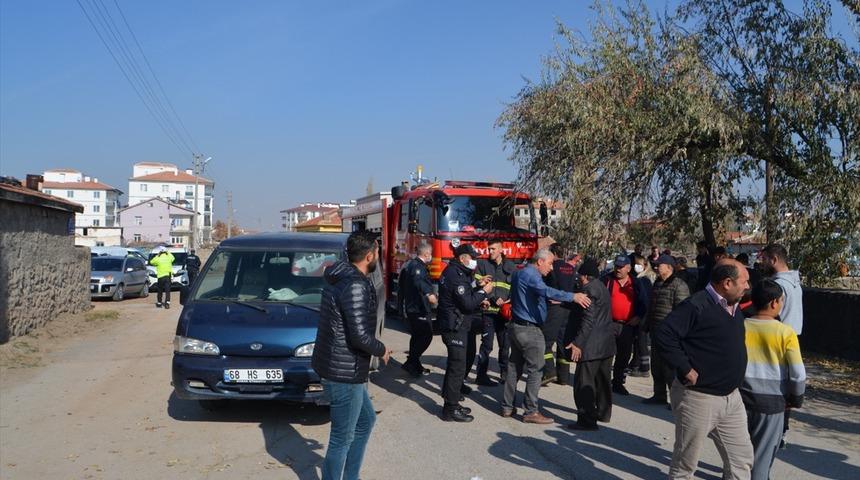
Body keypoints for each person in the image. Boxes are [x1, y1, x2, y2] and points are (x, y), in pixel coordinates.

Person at [656, 259, 754, 479]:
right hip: (698, 398)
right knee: (686, 463)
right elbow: (664, 335)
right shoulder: (697, 305)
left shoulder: (734, 305)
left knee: (742, 458)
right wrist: (684, 368)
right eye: (744, 281)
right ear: (727, 283)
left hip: (731, 398)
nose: (748, 286)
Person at [312, 230, 392, 480]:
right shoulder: (355, 284)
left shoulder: (344, 276)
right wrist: (381, 349)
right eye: (377, 252)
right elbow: (359, 336)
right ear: (369, 256)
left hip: (345, 367)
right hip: (344, 372)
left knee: (366, 421)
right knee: (341, 439)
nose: (379, 256)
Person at [501, 248, 590, 424]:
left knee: (514, 367)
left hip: (517, 327)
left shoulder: (520, 273)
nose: (551, 268)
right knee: (536, 369)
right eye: (549, 264)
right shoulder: (532, 275)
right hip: (529, 330)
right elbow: (546, 291)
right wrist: (573, 296)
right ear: (540, 261)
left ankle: (507, 406)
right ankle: (531, 411)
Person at [741, 279, 806, 480]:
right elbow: (797, 373)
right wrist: (796, 398)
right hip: (771, 402)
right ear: (774, 303)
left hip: (739, 399)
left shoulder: (740, 326)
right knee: (762, 455)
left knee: (739, 453)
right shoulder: (785, 332)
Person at [437, 243, 494, 422]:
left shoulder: (457, 272)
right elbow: (467, 303)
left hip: (455, 324)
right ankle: (450, 409)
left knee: (455, 366)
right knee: (457, 367)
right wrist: (484, 292)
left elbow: (465, 294)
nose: (474, 261)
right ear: (462, 258)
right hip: (455, 327)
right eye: (472, 258)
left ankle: (450, 400)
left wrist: (477, 286)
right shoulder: (456, 275)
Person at [757, 243, 804, 447]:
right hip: (791, 336)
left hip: (776, 337)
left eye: (764, 258)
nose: (761, 262)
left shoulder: (778, 286)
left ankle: (774, 431)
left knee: (772, 386)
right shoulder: (794, 282)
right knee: (784, 385)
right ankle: (781, 429)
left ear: (774, 260)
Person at [566, 258, 618, 431]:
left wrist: (577, 343)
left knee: (583, 382)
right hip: (606, 344)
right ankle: (604, 413)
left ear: (586, 276)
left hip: (591, 346)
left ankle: (587, 419)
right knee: (603, 381)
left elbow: (588, 320)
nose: (578, 278)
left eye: (580, 275)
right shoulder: (602, 286)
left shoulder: (588, 290)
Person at [643, 254, 690, 405]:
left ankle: (676, 400)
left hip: (671, 335)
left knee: (671, 369)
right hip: (656, 332)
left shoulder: (679, 285)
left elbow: (683, 312)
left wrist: (675, 332)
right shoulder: (657, 283)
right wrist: (647, 324)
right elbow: (652, 306)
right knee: (656, 367)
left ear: (669, 267)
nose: (656, 267)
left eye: (659, 265)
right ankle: (659, 395)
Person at [473, 239, 516, 386]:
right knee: (486, 345)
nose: (490, 252)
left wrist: (508, 301)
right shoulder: (482, 265)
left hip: (504, 313)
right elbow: (477, 286)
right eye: (489, 249)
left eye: (493, 249)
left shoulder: (510, 266)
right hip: (488, 312)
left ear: (501, 250)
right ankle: (481, 375)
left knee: (505, 346)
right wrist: (492, 298)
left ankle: (504, 374)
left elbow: (515, 287)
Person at [605, 255, 648, 396]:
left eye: (621, 267)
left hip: (627, 326)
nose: (618, 269)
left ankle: (618, 383)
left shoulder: (636, 283)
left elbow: (643, 303)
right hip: (609, 324)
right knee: (606, 354)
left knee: (623, 356)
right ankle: (603, 382)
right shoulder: (606, 280)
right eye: (616, 266)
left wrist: (638, 317)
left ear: (628, 268)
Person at [541, 243, 579, 386]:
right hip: (568, 308)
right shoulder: (571, 268)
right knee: (563, 342)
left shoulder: (552, 267)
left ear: (552, 253)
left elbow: (544, 286)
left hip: (554, 308)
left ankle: (549, 372)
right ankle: (564, 377)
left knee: (546, 341)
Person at [399, 243, 438, 378]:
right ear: (426, 254)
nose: (431, 257)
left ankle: (414, 364)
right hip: (417, 308)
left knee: (416, 337)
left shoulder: (416, 265)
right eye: (431, 254)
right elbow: (418, 281)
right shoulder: (417, 267)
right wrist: (429, 293)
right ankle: (411, 362)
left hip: (415, 307)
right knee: (426, 335)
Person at [627, 253, 654, 378]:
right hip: (641, 314)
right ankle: (636, 364)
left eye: (638, 264)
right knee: (638, 341)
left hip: (643, 315)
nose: (636, 266)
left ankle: (644, 368)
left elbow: (645, 299)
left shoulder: (644, 280)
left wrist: (639, 315)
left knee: (642, 342)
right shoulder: (640, 278)